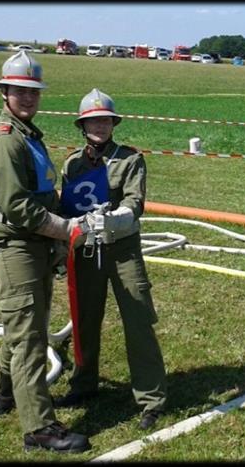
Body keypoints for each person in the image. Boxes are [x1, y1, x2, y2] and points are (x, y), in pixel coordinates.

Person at [0, 50, 90, 454]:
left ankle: (7, 394)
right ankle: (39, 428)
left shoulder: (26, 134)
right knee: (29, 336)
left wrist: (56, 235)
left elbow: (41, 192)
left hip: (33, 242)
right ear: (4, 92)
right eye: (19, 91)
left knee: (30, 323)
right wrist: (66, 230)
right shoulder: (5, 140)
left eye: (33, 92)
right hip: (13, 243)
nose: (27, 98)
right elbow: (18, 206)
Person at [54, 88, 167, 430]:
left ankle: (151, 398)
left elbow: (135, 203)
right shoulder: (72, 163)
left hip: (122, 250)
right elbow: (66, 209)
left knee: (138, 319)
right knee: (85, 319)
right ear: (82, 125)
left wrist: (115, 218)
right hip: (86, 250)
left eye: (105, 120)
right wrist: (62, 247)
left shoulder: (130, 159)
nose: (99, 126)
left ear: (113, 123)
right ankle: (84, 384)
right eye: (93, 121)